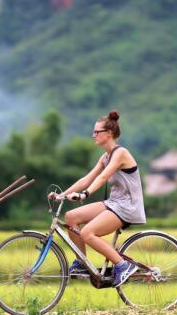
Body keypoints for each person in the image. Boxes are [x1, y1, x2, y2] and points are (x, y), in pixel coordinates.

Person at [49, 110, 146, 287]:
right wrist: (62, 195)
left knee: (87, 233)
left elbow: (102, 178)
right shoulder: (105, 156)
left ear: (108, 133)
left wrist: (84, 194)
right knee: (71, 217)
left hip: (127, 207)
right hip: (114, 203)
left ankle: (123, 266)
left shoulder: (120, 153)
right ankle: (81, 263)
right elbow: (87, 179)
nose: (93, 135)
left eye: (96, 132)